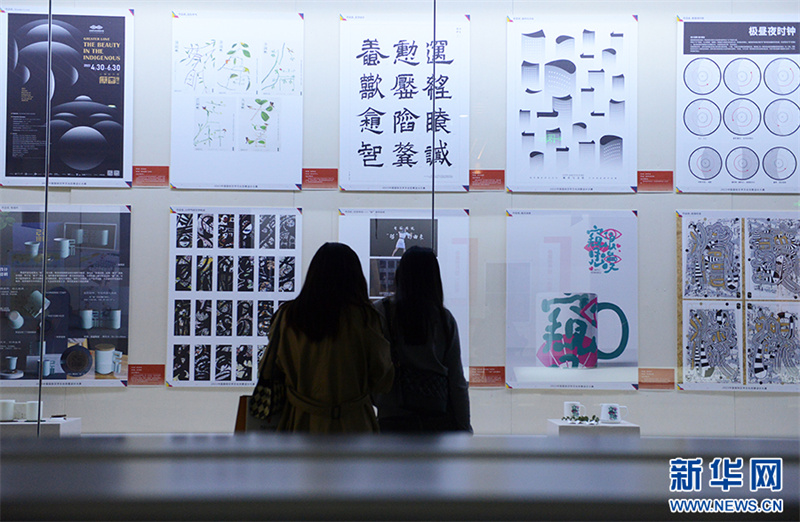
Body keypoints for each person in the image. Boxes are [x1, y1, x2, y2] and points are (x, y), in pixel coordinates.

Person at [265, 242, 394, 433]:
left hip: (300, 423)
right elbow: (382, 378)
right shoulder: (365, 318)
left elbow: (269, 370)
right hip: (354, 425)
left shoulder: (288, 316)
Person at [374, 246, 472, 433]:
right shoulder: (444, 319)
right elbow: (456, 381)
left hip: (392, 419)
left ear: (400, 275)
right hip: (436, 420)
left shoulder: (381, 312)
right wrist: (464, 427)